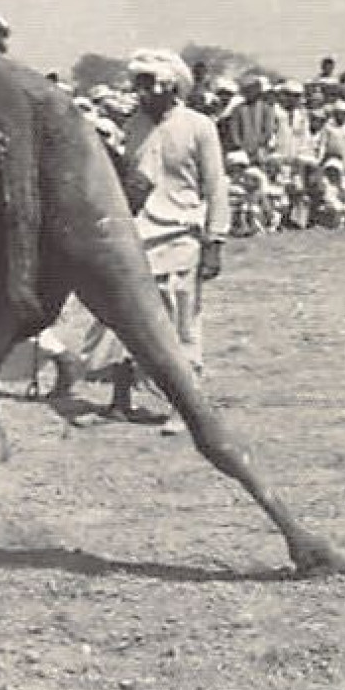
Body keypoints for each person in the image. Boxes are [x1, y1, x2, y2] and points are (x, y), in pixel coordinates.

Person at [92, 49, 229, 435]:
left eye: (147, 83)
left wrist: (214, 240)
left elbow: (216, 184)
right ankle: (120, 401)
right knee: (127, 318)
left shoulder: (199, 126)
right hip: (136, 235)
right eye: (137, 83)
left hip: (182, 234)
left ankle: (183, 408)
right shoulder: (133, 125)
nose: (140, 91)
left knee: (180, 322)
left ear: (170, 85)